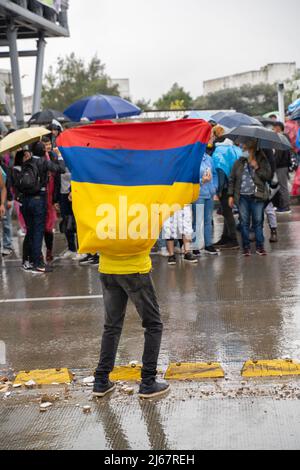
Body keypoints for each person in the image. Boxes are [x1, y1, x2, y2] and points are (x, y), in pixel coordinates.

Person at [14, 142, 65, 274]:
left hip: (25, 201)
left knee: (30, 231)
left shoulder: (26, 162)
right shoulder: (44, 162)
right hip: (38, 200)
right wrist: (59, 156)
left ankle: (30, 261)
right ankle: (38, 263)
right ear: (43, 151)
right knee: (37, 232)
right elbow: (61, 169)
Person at [228, 140, 272, 256]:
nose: (243, 149)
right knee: (244, 223)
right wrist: (231, 195)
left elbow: (268, 176)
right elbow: (232, 179)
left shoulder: (262, 160)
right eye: (243, 148)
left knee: (258, 222)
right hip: (242, 197)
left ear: (252, 149)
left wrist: (257, 167)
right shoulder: (239, 162)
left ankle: (260, 246)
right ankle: (246, 247)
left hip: (257, 196)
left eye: (246, 147)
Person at [212, 138, 242, 250]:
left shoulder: (219, 151)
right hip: (234, 185)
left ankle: (233, 240)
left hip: (224, 188)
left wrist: (218, 190)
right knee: (226, 212)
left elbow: (220, 171)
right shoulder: (234, 149)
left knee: (228, 213)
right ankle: (225, 237)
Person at [193, 152, 219, 255]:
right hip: (199, 193)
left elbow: (215, 173)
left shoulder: (209, 158)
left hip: (210, 193)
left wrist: (215, 187)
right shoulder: (194, 158)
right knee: (198, 220)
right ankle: (195, 246)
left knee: (208, 220)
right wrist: (201, 180)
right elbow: (191, 176)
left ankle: (208, 244)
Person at [273, 121, 292, 214]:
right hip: (284, 165)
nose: (273, 129)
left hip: (281, 166)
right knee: (282, 186)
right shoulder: (284, 137)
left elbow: (279, 155)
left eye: (274, 127)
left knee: (283, 187)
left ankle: (286, 207)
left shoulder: (281, 138)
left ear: (278, 128)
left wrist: (274, 165)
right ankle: (283, 205)